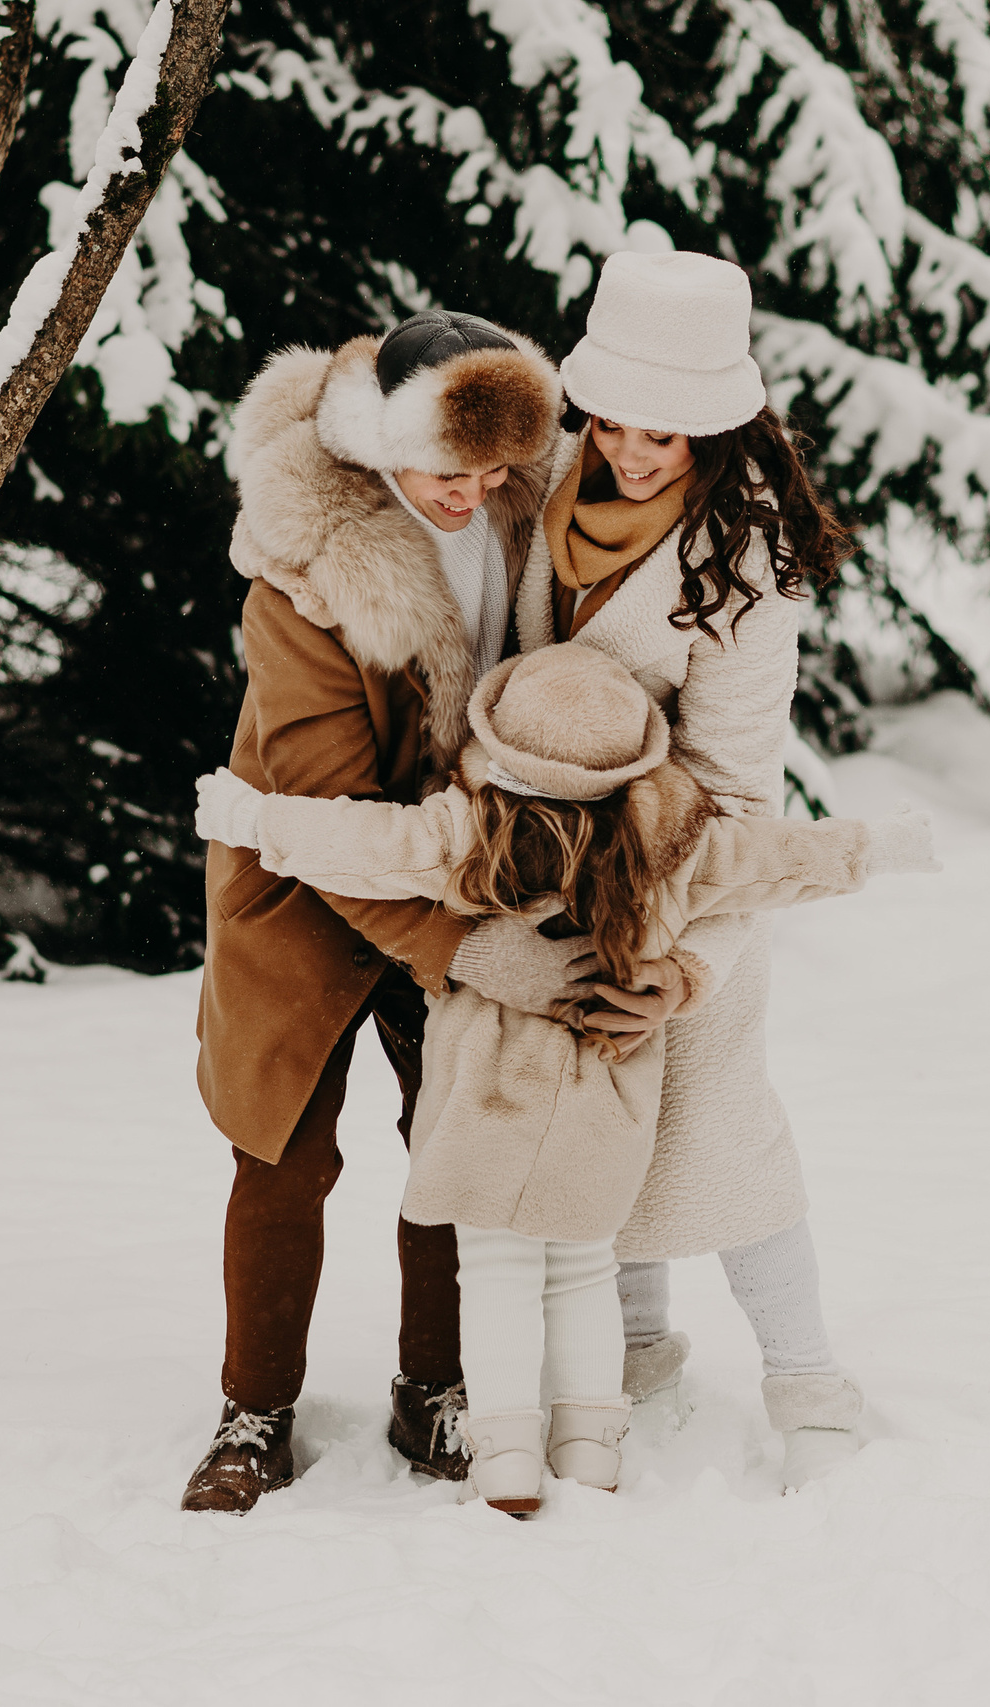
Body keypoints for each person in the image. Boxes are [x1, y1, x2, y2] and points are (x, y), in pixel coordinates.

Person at [194, 644, 936, 1512]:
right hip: (607, 1099)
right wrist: (881, 848)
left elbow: (361, 844)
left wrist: (249, 817)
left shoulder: (469, 830)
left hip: (483, 1098)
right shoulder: (665, 846)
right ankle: (589, 1447)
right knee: (584, 1268)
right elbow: (773, 858)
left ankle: (505, 1456)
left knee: (498, 1268)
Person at [185, 310, 651, 1513]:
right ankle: (255, 1406)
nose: (476, 493)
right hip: (305, 869)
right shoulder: (302, 568)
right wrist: (466, 950)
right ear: (379, 444)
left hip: (470, 858)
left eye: (497, 471)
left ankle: (434, 1386)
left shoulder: (524, 503)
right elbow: (327, 807)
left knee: (453, 1141)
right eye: (452, 472)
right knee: (281, 1147)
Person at [514, 250, 867, 1488]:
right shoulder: (545, 484)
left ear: (718, 424)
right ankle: (641, 1355)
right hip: (540, 863)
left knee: (719, 1142)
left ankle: (808, 1380)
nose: (632, 448)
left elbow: (733, 791)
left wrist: (686, 964)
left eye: (665, 429)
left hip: (683, 882)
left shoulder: (743, 559)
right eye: (613, 416)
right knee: (597, 1138)